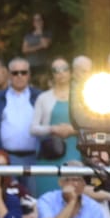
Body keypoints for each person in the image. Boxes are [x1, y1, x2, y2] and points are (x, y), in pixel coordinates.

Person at [31, 56, 79, 196]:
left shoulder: (82, 97)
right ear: (51, 74)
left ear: (70, 72)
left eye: (64, 69)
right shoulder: (43, 98)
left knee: (72, 195)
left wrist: (73, 130)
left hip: (75, 153)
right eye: (56, 70)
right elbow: (33, 128)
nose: (61, 73)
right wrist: (52, 129)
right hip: (50, 154)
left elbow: (94, 125)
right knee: (48, 196)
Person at [0, 58, 41, 167]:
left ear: (29, 75)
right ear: (9, 75)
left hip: (35, 158)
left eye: (23, 72)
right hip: (6, 158)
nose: (19, 76)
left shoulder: (39, 97)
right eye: (15, 73)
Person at [21, 13, 53, 78]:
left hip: (43, 64)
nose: (37, 22)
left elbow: (45, 45)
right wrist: (39, 46)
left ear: (42, 21)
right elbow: (24, 50)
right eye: (35, 20)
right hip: (30, 65)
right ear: (33, 23)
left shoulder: (47, 33)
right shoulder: (28, 35)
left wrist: (40, 32)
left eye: (39, 19)